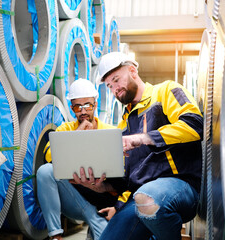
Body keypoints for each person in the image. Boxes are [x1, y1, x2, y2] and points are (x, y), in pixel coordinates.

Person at [72, 52, 203, 240]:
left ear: (132, 71)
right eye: (109, 86)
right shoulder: (123, 126)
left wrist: (144, 138)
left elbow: (194, 124)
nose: (114, 89)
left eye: (116, 80)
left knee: (148, 199)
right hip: (139, 197)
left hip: (180, 187)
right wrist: (101, 187)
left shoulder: (166, 91)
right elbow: (127, 180)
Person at [36, 78, 119, 240]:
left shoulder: (110, 132)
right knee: (45, 171)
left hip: (103, 201)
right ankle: (56, 236)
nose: (83, 111)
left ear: (95, 104)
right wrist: (77, 135)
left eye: (87, 105)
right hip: (75, 199)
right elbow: (48, 156)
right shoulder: (65, 130)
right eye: (77, 106)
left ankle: (96, 225)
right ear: (71, 108)